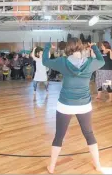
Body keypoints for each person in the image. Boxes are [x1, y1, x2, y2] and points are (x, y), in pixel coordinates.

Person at [42, 38, 105, 174]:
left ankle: (52, 167)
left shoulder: (62, 61)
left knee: (59, 136)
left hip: (65, 104)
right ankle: (98, 166)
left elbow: (45, 61)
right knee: (89, 135)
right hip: (84, 105)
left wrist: (47, 47)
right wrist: (94, 47)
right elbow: (102, 61)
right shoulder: (90, 62)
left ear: (67, 48)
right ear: (81, 47)